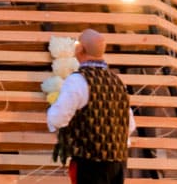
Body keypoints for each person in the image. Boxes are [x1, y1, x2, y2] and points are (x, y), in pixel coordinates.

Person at [47, 28, 134, 183]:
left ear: (80, 49)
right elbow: (129, 125)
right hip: (118, 163)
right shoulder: (117, 82)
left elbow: (57, 118)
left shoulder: (78, 80)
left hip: (90, 164)